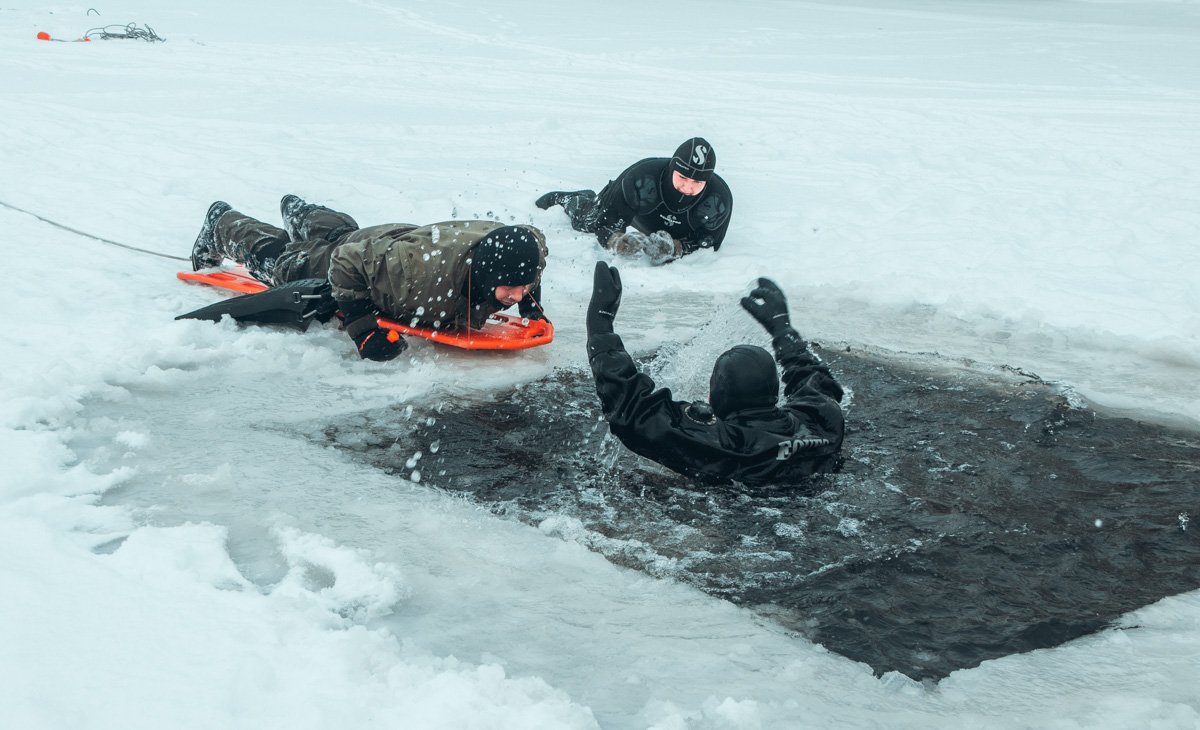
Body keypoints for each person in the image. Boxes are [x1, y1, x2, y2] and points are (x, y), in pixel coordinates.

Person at [189, 195, 549, 361]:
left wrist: (531, 305)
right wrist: (362, 330)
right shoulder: (419, 275)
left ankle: (302, 214)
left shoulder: (527, 252)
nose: (518, 295)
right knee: (288, 264)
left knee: (344, 237)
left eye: (525, 287)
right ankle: (222, 223)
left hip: (400, 242)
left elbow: (531, 249)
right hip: (371, 261)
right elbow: (346, 262)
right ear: (486, 272)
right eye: (510, 288)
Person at [585, 262, 845, 486]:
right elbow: (815, 380)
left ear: (718, 396)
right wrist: (783, 331)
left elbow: (635, 415)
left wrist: (600, 326)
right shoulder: (821, 423)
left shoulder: (728, 447)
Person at [535, 137, 733, 265]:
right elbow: (606, 223)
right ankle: (575, 200)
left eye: (697, 182)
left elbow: (708, 244)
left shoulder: (718, 200)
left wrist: (675, 248)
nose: (688, 188)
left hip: (681, 231)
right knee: (587, 222)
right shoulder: (641, 178)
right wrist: (617, 242)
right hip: (637, 213)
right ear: (672, 169)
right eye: (682, 177)